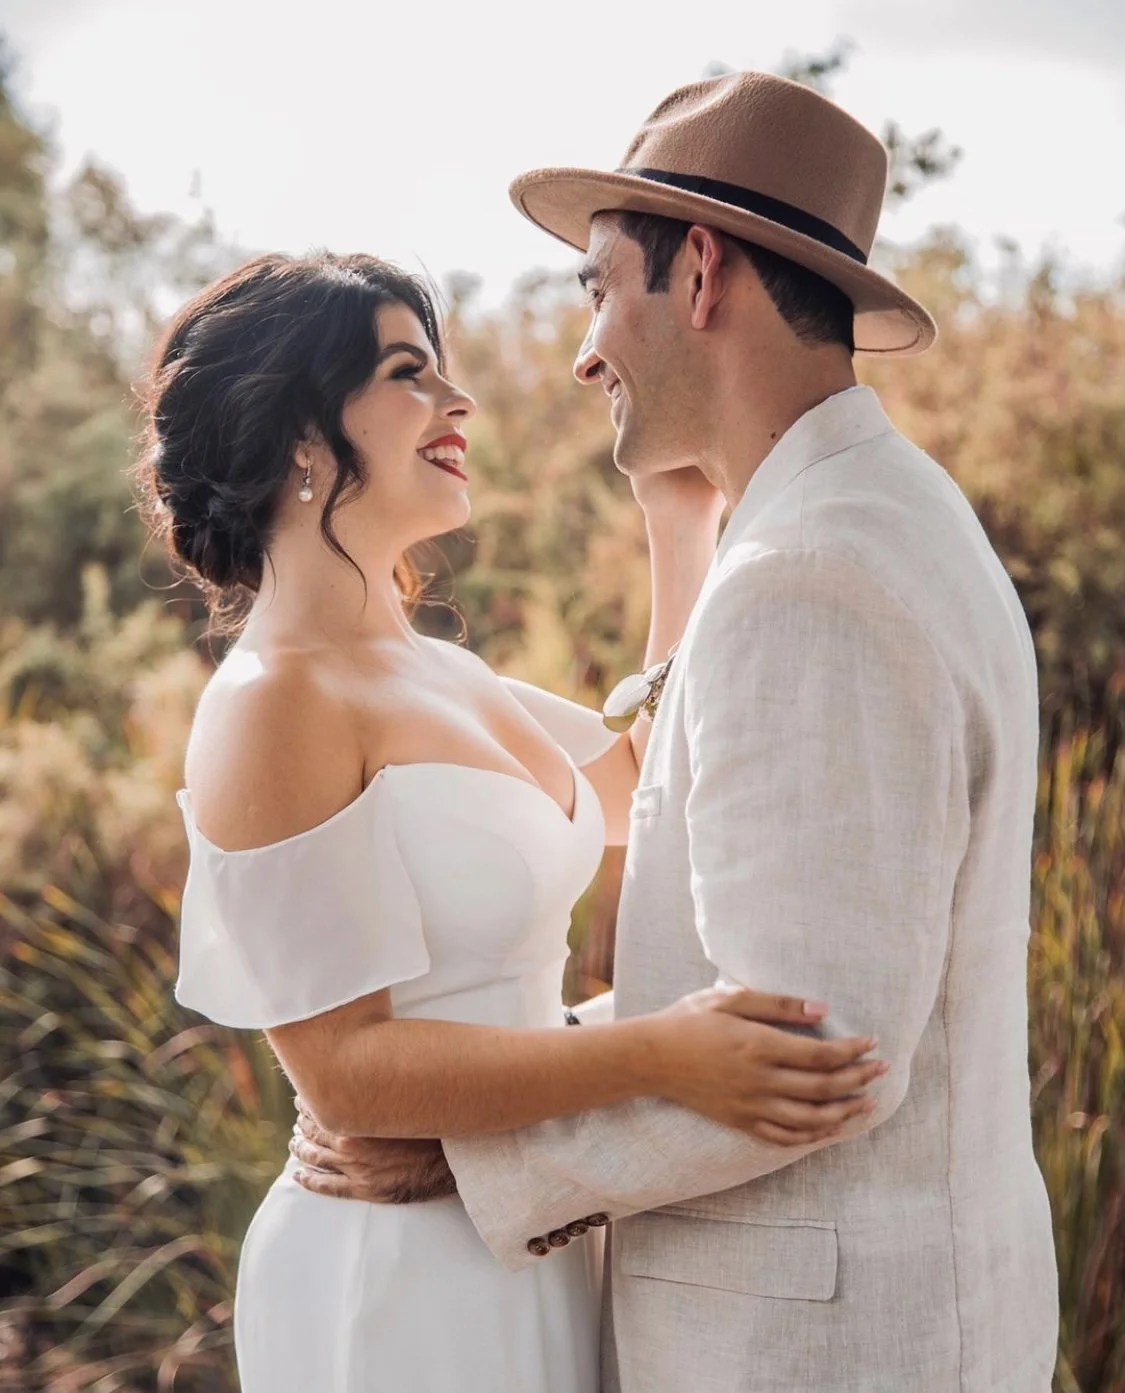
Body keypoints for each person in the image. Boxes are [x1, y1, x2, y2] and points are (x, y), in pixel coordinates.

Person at [293, 71, 1060, 1392]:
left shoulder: (806, 583)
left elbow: (815, 1048)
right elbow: (772, 973)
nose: (584, 349)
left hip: (812, 1347)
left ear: (698, 273)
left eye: (599, 286)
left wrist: (474, 1150)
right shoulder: (890, 518)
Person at [137, 247, 883, 1392]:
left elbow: (641, 784)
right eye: (407, 373)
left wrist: (674, 524)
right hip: (388, 1280)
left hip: (525, 1240)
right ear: (298, 433)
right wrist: (661, 1056)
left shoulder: (443, 670)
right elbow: (346, 1074)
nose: (456, 401)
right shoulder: (272, 700)